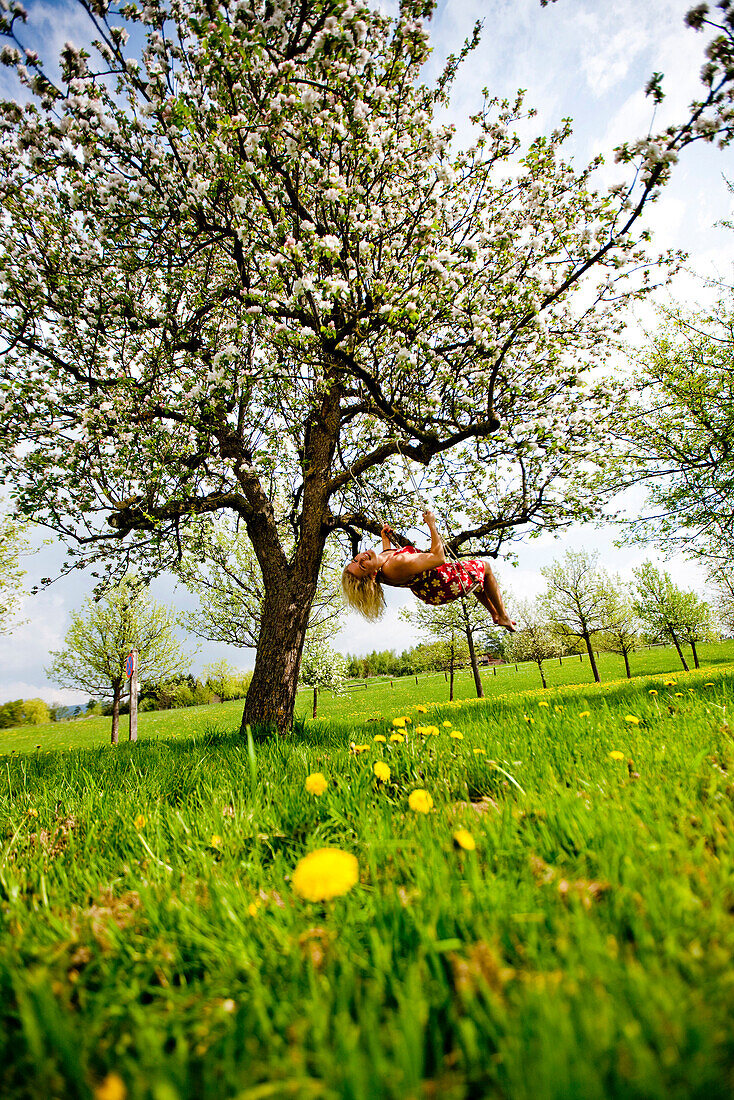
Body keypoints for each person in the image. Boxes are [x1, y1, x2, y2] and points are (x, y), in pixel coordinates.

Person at [341, 510, 516, 629]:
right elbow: (438, 558)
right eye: (362, 565)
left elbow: (385, 555)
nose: (362, 557)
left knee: (476, 582)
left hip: (431, 589)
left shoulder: (380, 567)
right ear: (371, 575)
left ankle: (495, 614)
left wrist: (384, 538)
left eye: (356, 559)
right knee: (484, 568)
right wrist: (432, 525)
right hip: (443, 581)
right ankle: (502, 615)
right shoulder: (396, 565)